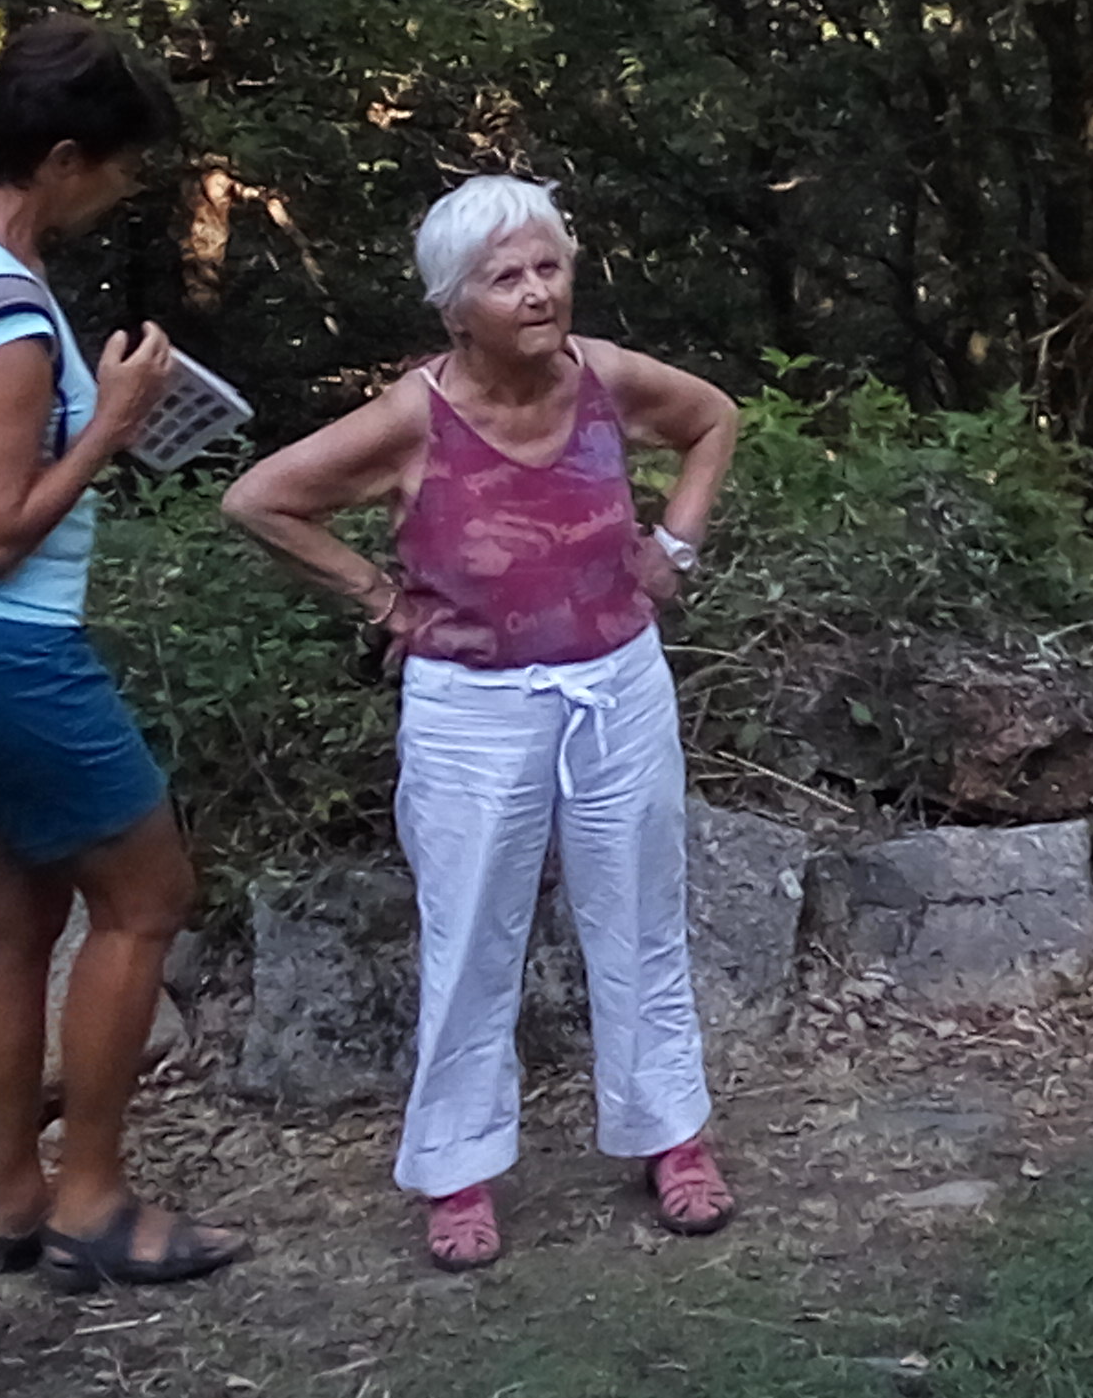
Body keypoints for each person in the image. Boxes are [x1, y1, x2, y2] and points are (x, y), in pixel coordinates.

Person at [222, 174, 745, 1269]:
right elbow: (260, 499)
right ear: (454, 305)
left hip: (617, 684)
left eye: (549, 266)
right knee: (467, 933)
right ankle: (457, 1168)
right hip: (472, 706)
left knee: (641, 916)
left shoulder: (604, 377)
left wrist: (675, 547)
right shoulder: (413, 416)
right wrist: (381, 599)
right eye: (506, 278)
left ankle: (672, 1136)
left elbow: (711, 419)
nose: (537, 292)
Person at [0, 14, 242, 1289]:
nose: (121, 192)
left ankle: (12, 1196)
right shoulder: (7, 318)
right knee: (149, 894)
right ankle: (93, 1204)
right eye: (118, 167)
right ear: (63, 158)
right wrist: (111, 423)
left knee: (15, 915)